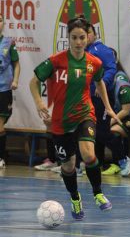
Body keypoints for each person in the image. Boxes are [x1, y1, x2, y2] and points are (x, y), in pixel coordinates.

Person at [29, 16, 120, 220]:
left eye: (82, 37)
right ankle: (75, 198)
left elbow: (100, 83)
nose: (79, 42)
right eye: (74, 38)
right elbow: (33, 82)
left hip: (84, 114)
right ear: (68, 38)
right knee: (68, 165)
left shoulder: (93, 63)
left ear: (88, 37)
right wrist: (39, 103)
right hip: (61, 121)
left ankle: (97, 194)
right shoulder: (56, 61)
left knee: (88, 155)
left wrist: (108, 107)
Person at [86, 21, 117, 167]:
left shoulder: (101, 50)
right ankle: (97, 162)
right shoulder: (79, 52)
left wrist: (102, 84)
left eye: (88, 33)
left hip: (100, 97)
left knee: (103, 131)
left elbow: (111, 68)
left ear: (94, 34)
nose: (85, 37)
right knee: (92, 131)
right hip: (86, 97)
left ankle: (122, 159)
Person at [0, 13, 20, 168]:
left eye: (0, 20)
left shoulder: (8, 43)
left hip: (4, 89)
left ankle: (1, 158)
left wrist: (15, 80)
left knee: (0, 125)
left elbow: (16, 64)